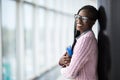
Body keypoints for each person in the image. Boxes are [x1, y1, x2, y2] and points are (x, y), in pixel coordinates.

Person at [59, 5, 98, 80]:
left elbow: (70, 74)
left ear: (93, 22)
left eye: (84, 18)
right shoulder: (84, 37)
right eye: (78, 17)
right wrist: (63, 62)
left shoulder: (86, 39)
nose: (79, 21)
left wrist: (61, 69)